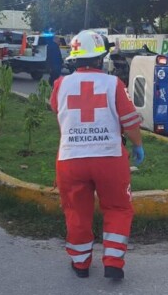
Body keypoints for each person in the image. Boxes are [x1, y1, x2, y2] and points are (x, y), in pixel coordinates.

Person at [50, 30, 144, 281]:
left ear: (75, 58)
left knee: (76, 210)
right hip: (109, 158)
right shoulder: (113, 84)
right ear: (101, 58)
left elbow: (58, 113)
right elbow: (130, 122)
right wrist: (137, 145)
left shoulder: (60, 85)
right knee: (117, 207)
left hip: (71, 159)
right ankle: (113, 262)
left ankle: (80, 263)